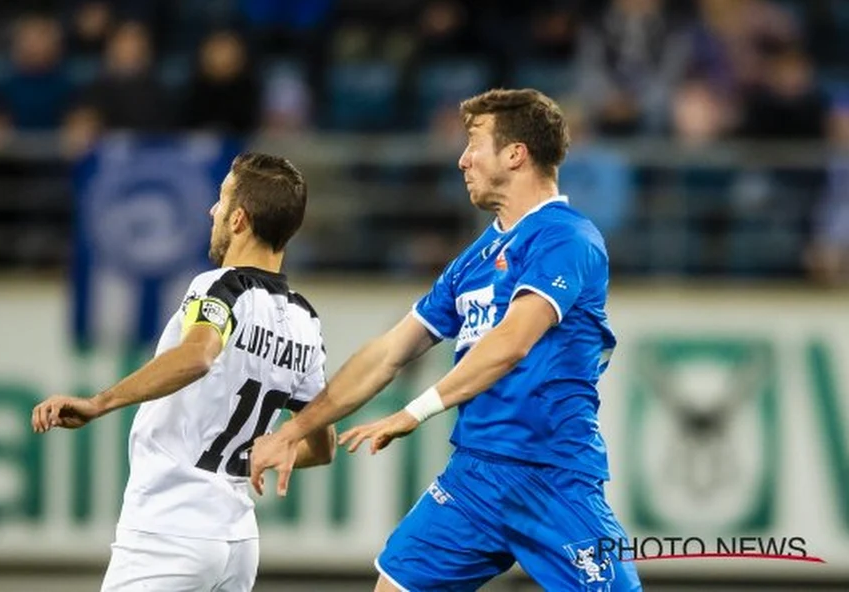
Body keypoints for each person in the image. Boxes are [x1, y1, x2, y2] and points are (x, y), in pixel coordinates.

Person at [249, 88, 642, 592]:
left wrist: (414, 412)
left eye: (474, 143)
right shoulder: (475, 259)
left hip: (552, 476)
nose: (462, 159)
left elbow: (512, 342)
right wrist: (292, 431)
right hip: (474, 477)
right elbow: (390, 352)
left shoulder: (567, 237)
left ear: (515, 154)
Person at [32, 152, 335, 592]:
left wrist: (100, 403)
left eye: (221, 200)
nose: (213, 210)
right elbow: (322, 444)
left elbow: (197, 356)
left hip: (170, 527)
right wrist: (258, 455)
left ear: (239, 221)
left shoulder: (219, 287)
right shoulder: (305, 320)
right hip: (238, 542)